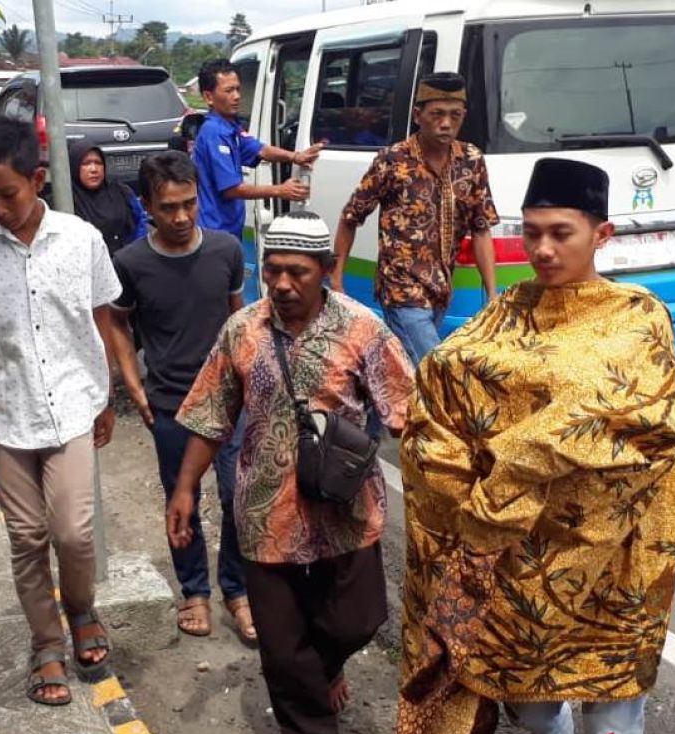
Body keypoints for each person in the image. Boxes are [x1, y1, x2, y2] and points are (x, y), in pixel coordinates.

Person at [391, 158, 675, 734]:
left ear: (601, 234)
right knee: (531, 698)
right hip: (519, 565)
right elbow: (441, 383)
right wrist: (463, 491)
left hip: (613, 568)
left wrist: (509, 474)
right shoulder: (507, 312)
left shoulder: (639, 318)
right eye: (530, 233)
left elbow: (644, 426)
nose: (542, 249)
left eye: (561, 232)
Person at [167, 212, 413, 734]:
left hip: (345, 512)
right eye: (271, 269)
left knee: (357, 620)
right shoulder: (242, 330)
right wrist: (183, 490)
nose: (280, 284)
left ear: (326, 270)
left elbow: (410, 412)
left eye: (296, 272)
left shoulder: (363, 329)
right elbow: (209, 416)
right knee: (281, 639)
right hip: (263, 510)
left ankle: (324, 668)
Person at [0, 115, 123, 707]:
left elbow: (101, 318)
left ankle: (81, 607)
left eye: (7, 195)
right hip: (4, 416)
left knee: (73, 531)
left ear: (37, 178)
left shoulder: (81, 240)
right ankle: (46, 643)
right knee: (28, 536)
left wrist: (106, 394)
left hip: (72, 409)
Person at [107, 150, 255, 644]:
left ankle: (237, 588)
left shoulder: (225, 250)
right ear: (147, 204)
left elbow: (240, 319)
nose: (181, 216)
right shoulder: (130, 263)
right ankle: (195, 590)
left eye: (189, 204)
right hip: (171, 404)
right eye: (168, 207)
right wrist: (131, 381)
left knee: (238, 495)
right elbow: (117, 324)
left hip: (230, 402)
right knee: (181, 499)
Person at [334, 72, 499, 367]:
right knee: (436, 370)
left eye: (455, 115)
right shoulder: (393, 160)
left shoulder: (472, 160)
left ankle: (381, 412)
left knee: (407, 374)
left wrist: (491, 292)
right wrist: (336, 278)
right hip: (401, 289)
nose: (446, 123)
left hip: (441, 289)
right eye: (437, 114)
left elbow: (481, 227)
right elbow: (351, 217)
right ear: (418, 115)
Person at [192, 58, 324, 241]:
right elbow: (231, 189)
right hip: (214, 231)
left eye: (238, 89)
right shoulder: (213, 132)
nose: (237, 96)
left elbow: (260, 149)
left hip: (228, 228)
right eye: (229, 91)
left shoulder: (230, 127)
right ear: (208, 97)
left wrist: (295, 156)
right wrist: (279, 190)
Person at [68, 141, 148, 256]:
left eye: (98, 163)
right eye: (86, 164)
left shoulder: (121, 192)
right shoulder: (66, 199)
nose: (94, 169)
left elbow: (140, 224)